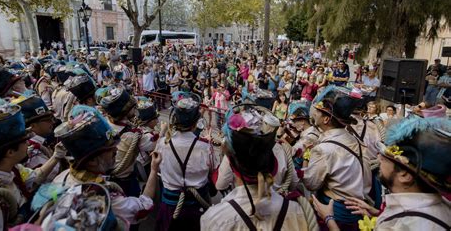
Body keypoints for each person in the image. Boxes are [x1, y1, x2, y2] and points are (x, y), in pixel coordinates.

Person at [313, 117, 451, 231]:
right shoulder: (442, 207)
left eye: (386, 159)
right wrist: (377, 213)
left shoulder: (404, 224)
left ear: (404, 175)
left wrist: (329, 218)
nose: (378, 158)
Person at [201, 104, 313, 231]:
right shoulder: (297, 212)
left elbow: (220, 185)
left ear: (234, 164)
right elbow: (293, 183)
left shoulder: (214, 219)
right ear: (271, 164)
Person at [52, 105, 161, 227]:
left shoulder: (62, 177)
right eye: (109, 149)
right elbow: (142, 208)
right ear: (92, 161)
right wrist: (154, 169)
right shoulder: (104, 196)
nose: (116, 150)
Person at [0, 99, 65, 230]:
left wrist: (56, 156)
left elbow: (35, 177)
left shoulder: (13, 169)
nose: (28, 144)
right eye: (24, 141)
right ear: (10, 152)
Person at [303, 86, 372, 230]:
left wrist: (306, 159)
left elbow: (311, 183)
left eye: (319, 112)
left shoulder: (323, 149)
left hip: (333, 214)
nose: (314, 113)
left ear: (327, 119)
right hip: (358, 214)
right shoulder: (357, 142)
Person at [155, 92, 216, 231]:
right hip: (197, 205)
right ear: (196, 123)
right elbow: (212, 171)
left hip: (170, 206)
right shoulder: (205, 147)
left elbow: (158, 168)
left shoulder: (162, 144)